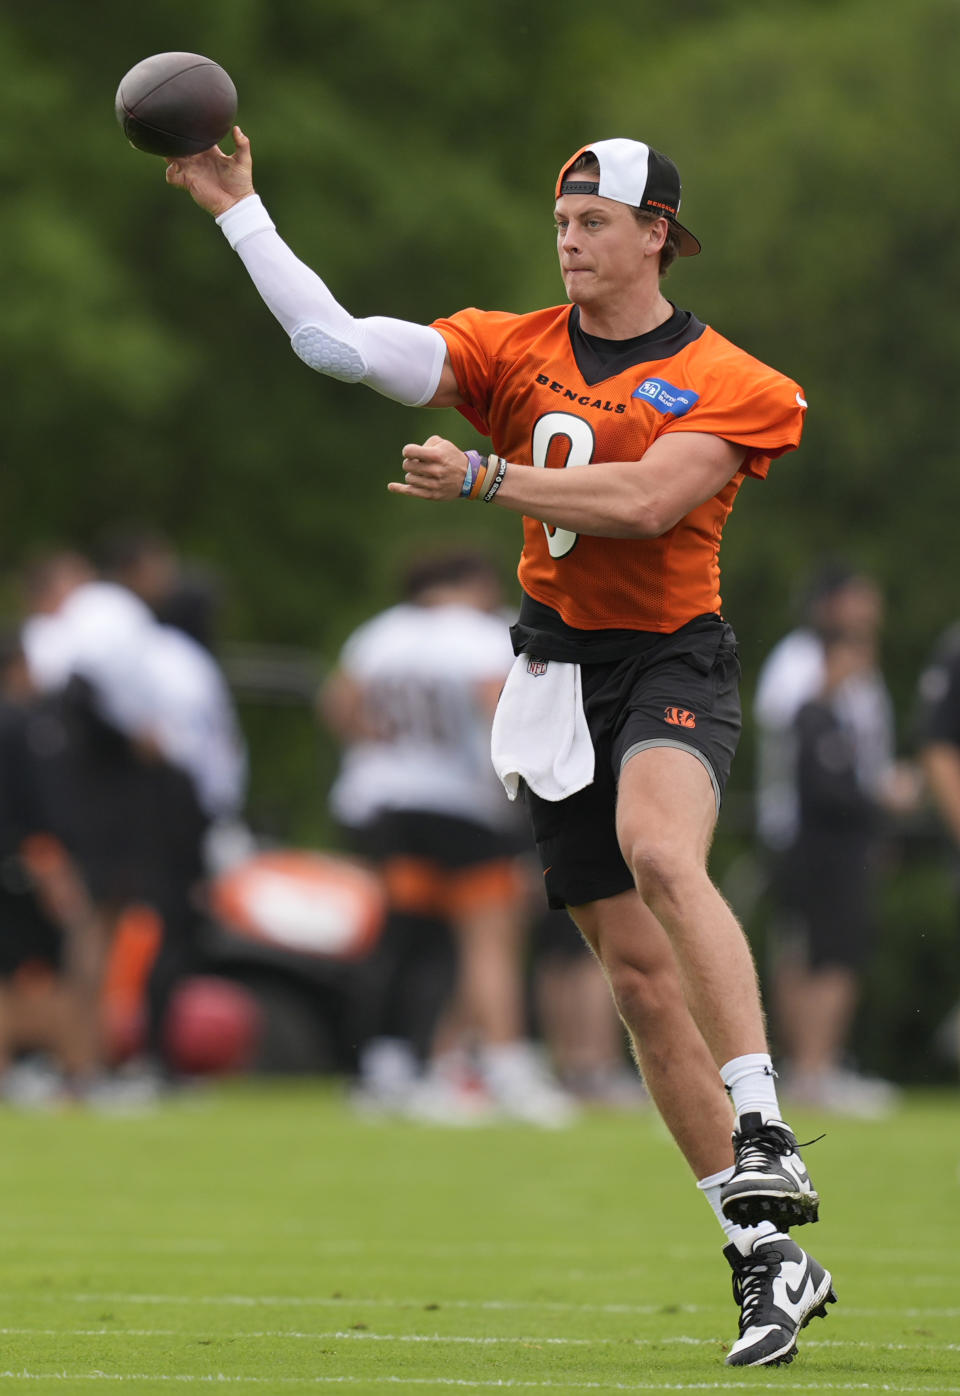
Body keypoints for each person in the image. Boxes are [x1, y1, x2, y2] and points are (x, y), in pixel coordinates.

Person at [166, 131, 835, 1367]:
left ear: (659, 238)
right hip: (554, 674)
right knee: (634, 983)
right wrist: (240, 209)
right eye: (563, 217)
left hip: (672, 661)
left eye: (596, 219)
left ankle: (766, 1127)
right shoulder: (510, 344)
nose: (572, 236)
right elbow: (337, 345)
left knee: (661, 851)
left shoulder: (731, 377)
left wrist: (484, 478)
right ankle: (764, 1256)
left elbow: (643, 502)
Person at [321, 549, 575, 1127]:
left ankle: (388, 1066)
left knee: (406, 935)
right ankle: (507, 1065)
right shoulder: (480, 637)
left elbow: (339, 704)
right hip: (459, 803)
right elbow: (499, 708)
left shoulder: (380, 634)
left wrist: (386, 743)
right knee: (487, 934)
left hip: (384, 799)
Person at [754, 565, 916, 1115]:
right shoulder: (800, 663)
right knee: (810, 947)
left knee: (832, 946)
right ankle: (808, 1067)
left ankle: (818, 1065)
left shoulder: (864, 673)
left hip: (851, 828)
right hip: (804, 827)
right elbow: (792, 736)